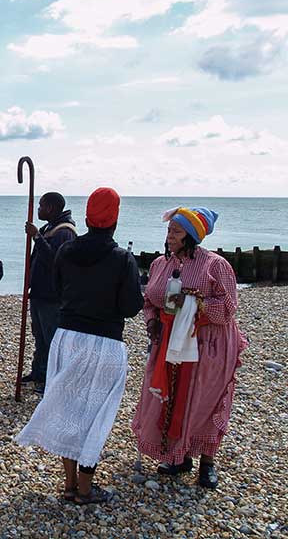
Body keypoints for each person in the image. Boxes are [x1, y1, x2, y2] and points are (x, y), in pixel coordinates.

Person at [14, 187, 143, 505]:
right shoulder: (121, 259)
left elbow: (58, 289)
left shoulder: (67, 252)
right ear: (115, 219)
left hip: (68, 337)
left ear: (87, 217)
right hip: (105, 342)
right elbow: (130, 306)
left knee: (67, 409)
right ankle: (85, 489)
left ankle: (70, 483)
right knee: (94, 416)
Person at [132, 207, 246, 489]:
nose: (169, 236)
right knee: (172, 398)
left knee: (204, 399)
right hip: (169, 342)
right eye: (169, 230)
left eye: (176, 232)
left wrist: (194, 304)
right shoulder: (161, 264)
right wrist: (152, 322)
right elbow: (150, 302)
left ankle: (207, 462)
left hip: (208, 343)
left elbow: (229, 308)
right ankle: (178, 456)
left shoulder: (215, 265)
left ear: (192, 236)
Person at [21, 193, 77, 394]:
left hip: (51, 296)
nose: (38, 209)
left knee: (52, 338)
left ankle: (51, 379)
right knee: (40, 336)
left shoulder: (64, 232)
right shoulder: (49, 228)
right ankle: (39, 372)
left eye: (41, 206)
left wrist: (36, 237)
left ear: (51, 208)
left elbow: (55, 260)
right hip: (39, 293)